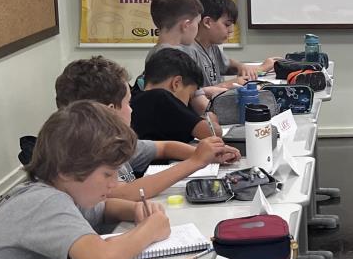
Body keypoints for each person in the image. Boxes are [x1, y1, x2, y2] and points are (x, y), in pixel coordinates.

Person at [0, 102, 172, 259]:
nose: (114, 184)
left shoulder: (62, 192)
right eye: (107, 174)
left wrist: (136, 210)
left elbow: (104, 208)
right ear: (67, 171)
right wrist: (150, 229)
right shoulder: (44, 203)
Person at [54, 56, 238, 201]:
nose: (132, 108)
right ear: (109, 112)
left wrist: (207, 154)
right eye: (127, 103)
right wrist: (195, 162)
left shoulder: (112, 141)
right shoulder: (82, 154)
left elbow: (163, 147)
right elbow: (124, 193)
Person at [179, 0, 276, 79]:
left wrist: (242, 66)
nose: (230, 31)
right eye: (226, 24)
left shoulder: (212, 45)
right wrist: (228, 85)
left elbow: (226, 63)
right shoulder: (186, 51)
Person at [132, 48, 227, 143]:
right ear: (176, 83)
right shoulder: (161, 97)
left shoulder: (136, 96)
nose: (188, 104)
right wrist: (211, 117)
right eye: (189, 96)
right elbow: (213, 133)